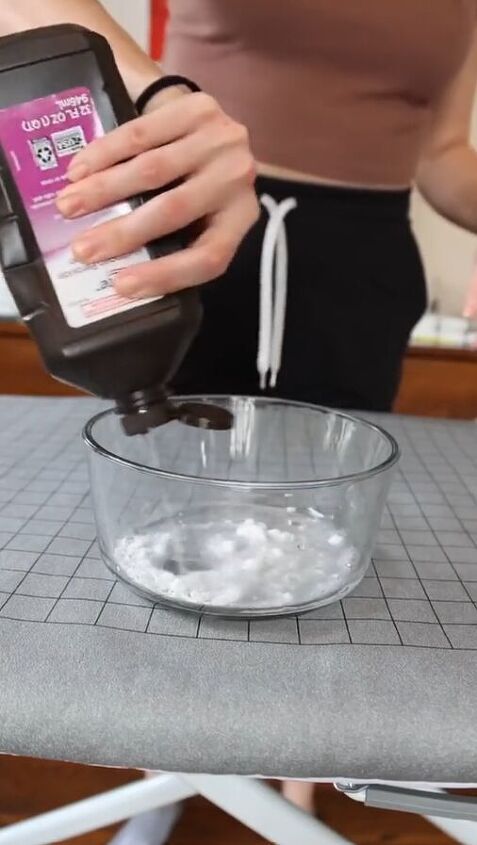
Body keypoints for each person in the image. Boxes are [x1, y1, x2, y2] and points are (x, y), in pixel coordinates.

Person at [2, 0, 477, 840]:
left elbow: (440, 157)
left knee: (321, 520)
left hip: (362, 265)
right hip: (191, 219)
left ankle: (299, 771)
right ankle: (165, 768)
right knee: (173, 509)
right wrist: (157, 94)